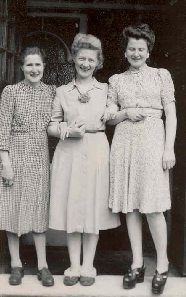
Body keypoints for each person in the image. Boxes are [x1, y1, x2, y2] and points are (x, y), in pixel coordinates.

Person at [106, 24, 177, 295]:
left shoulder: (162, 75)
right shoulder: (115, 80)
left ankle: (161, 264)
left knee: (153, 206)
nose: (136, 53)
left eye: (141, 49)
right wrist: (125, 113)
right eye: (131, 49)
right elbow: (110, 117)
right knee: (131, 206)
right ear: (125, 52)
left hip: (152, 142)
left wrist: (168, 148)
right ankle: (137, 263)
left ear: (148, 51)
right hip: (124, 143)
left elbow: (170, 113)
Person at [48, 33, 120, 287]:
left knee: (93, 206)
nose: (86, 64)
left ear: (98, 62)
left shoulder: (106, 90)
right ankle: (73, 265)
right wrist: (67, 130)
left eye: (91, 59)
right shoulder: (62, 91)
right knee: (73, 206)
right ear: (74, 60)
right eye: (81, 58)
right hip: (69, 151)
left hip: (97, 149)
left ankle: (88, 264)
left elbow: (113, 112)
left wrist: (113, 110)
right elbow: (52, 125)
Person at [0, 47, 55, 286]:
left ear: (44, 67)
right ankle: (15, 263)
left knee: (38, 210)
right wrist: (5, 164)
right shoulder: (10, 92)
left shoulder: (52, 92)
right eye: (29, 65)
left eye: (38, 65)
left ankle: (43, 265)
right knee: (12, 209)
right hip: (14, 155)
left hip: (40, 156)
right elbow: (2, 130)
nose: (34, 69)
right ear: (22, 67)